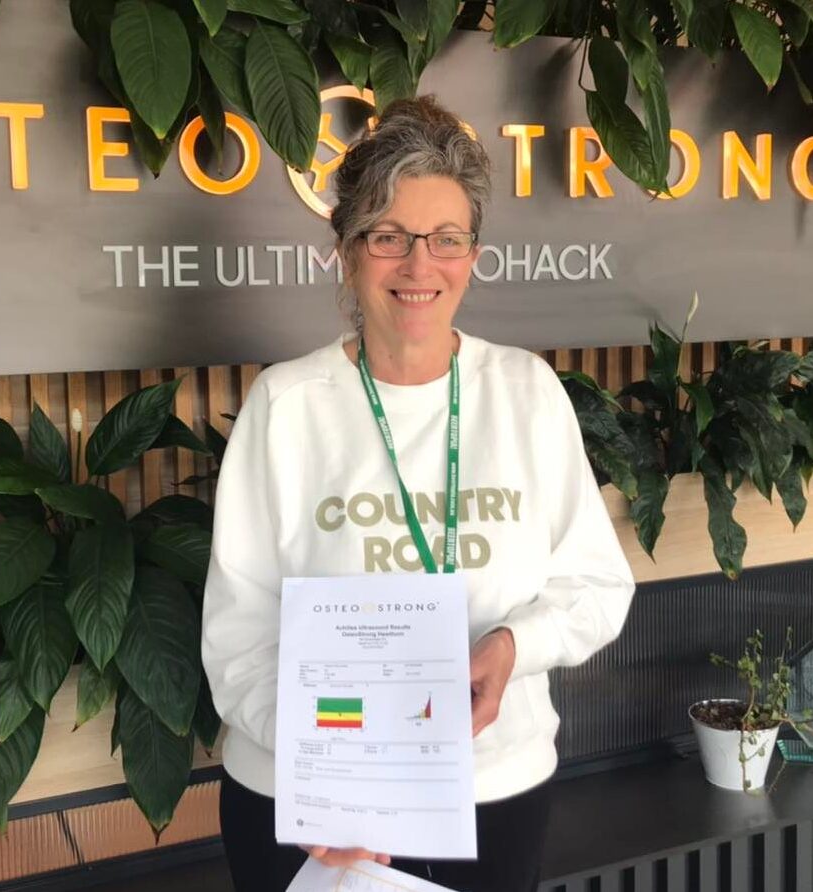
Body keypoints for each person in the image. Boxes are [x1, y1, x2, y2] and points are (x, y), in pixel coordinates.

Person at [201, 95, 635, 892]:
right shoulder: (287, 406)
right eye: (388, 236)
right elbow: (240, 635)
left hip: (491, 792)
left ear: (473, 253)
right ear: (346, 251)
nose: (418, 265)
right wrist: (323, 774)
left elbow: (597, 587)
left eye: (445, 238)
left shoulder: (526, 392)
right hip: (310, 808)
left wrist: (513, 647)